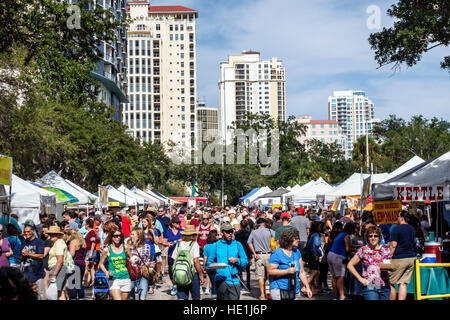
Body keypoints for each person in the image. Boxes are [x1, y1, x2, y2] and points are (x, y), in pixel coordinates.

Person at [347, 225, 392, 300]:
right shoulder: (363, 250)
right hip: (370, 285)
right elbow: (350, 265)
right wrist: (360, 279)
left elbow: (390, 265)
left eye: (375, 236)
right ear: (367, 238)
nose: (373, 238)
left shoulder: (386, 249)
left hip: (385, 285)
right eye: (370, 236)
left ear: (379, 237)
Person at [206, 222, 248, 300]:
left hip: (234, 280)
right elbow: (208, 263)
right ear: (222, 233)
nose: (230, 234)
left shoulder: (238, 244)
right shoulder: (216, 245)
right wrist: (214, 266)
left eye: (231, 231)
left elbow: (245, 261)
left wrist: (237, 260)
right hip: (221, 280)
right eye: (227, 232)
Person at [268, 228, 312, 300]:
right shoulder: (277, 253)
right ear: (289, 239)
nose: (298, 240)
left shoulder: (296, 252)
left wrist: (307, 287)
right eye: (296, 238)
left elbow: (301, 272)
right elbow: (270, 271)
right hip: (279, 290)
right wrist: (287, 271)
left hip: (295, 290)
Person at [171, 224, 204, 300]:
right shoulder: (194, 244)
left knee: (182, 297)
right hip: (193, 273)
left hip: (180, 273)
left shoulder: (178, 244)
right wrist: (201, 274)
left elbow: (174, 259)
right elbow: (196, 261)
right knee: (195, 297)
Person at [388, 210, 416, 300]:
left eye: (397, 216)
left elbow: (393, 245)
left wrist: (387, 257)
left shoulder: (396, 229)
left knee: (390, 282)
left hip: (399, 258)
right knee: (403, 283)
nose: (396, 218)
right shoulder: (412, 228)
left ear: (402, 218)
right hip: (411, 258)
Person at [98, 229, 131, 300]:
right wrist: (106, 272)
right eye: (116, 236)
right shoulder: (107, 250)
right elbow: (100, 264)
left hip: (126, 277)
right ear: (111, 237)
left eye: (120, 236)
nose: (118, 237)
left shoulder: (125, 247)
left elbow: (131, 260)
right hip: (114, 279)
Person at [247, 217, 275, 300]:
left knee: (260, 276)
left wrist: (254, 253)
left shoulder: (254, 232)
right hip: (270, 255)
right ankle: (269, 292)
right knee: (270, 275)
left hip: (258, 255)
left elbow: (249, 242)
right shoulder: (271, 231)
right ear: (264, 224)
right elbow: (278, 241)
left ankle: (262, 294)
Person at [20, 224, 45, 299]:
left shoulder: (39, 242)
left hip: (38, 274)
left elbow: (41, 256)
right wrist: (23, 255)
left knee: (40, 296)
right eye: (25, 232)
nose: (26, 233)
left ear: (33, 231)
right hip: (26, 274)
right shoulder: (24, 242)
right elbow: (20, 258)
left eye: (28, 231)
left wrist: (28, 254)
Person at [327, 221, 351, 300]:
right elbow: (347, 249)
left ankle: (335, 296)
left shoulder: (340, 234)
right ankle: (341, 296)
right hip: (338, 256)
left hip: (330, 255)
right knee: (340, 277)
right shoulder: (346, 236)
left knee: (334, 277)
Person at [126, 228, 152, 300]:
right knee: (131, 297)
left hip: (143, 274)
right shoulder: (128, 247)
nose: (130, 236)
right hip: (131, 274)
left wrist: (149, 264)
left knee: (142, 297)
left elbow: (147, 260)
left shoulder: (147, 247)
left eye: (132, 234)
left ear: (139, 236)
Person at [47, 226, 70, 300]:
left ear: (58, 235)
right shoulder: (58, 242)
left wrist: (54, 275)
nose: (51, 236)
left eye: (54, 234)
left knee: (56, 292)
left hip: (57, 268)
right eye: (50, 234)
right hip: (59, 268)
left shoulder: (59, 243)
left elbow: (60, 260)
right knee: (60, 292)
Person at [163, 216, 183, 296]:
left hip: (180, 255)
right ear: (173, 224)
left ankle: (178, 286)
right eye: (177, 223)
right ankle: (174, 285)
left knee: (179, 271)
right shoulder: (168, 232)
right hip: (171, 254)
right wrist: (168, 244)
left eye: (179, 223)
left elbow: (187, 239)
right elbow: (164, 242)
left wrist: (181, 240)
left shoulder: (182, 231)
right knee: (171, 272)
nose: (178, 224)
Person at [64, 229, 86, 300]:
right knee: (79, 284)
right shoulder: (82, 242)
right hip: (82, 263)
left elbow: (72, 254)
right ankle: (81, 298)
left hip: (75, 263)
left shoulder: (73, 242)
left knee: (73, 284)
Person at [303, 220, 323, 296]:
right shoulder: (316, 235)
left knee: (313, 272)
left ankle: (312, 289)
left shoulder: (312, 234)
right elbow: (315, 245)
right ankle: (305, 286)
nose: (321, 227)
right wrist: (316, 255)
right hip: (313, 254)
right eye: (320, 226)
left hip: (310, 254)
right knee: (315, 271)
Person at [234, 219, 252, 291]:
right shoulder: (249, 233)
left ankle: (241, 283)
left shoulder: (237, 234)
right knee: (248, 270)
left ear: (240, 225)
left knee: (240, 269)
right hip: (247, 252)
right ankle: (248, 284)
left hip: (239, 252)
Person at [203, 229, 219, 299]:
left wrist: (204, 267)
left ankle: (214, 297)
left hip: (209, 266)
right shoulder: (218, 245)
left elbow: (205, 258)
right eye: (217, 235)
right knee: (218, 284)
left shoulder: (206, 246)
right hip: (218, 266)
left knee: (213, 284)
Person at [83, 218, 98, 288]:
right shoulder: (92, 232)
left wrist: (91, 253)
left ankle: (85, 282)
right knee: (91, 267)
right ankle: (93, 281)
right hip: (90, 251)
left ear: (88, 225)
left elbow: (93, 242)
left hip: (90, 251)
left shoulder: (91, 232)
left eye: (85, 224)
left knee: (86, 267)